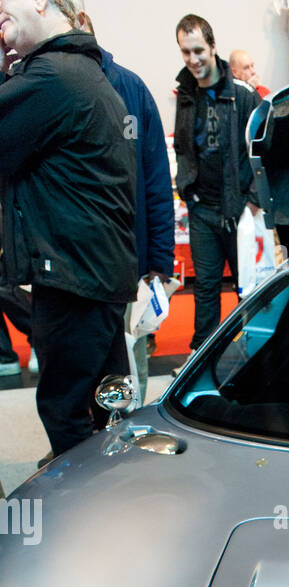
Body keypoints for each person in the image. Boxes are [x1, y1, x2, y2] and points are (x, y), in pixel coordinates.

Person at [0, 0, 138, 457]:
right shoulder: (81, 71)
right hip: (94, 276)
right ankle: (113, 504)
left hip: (74, 278)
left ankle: (86, 519)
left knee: (67, 412)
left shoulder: (52, 77)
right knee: (105, 408)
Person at [73, 7, 174, 399]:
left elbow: (156, 182)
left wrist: (160, 263)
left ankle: (129, 432)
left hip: (131, 260)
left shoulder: (131, 89)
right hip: (76, 263)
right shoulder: (50, 93)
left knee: (131, 358)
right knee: (80, 361)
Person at [174, 13, 261, 350]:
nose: (193, 59)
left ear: (212, 47)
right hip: (202, 210)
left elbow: (263, 149)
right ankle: (201, 359)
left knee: (249, 288)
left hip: (239, 210)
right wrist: (188, 190)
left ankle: (254, 357)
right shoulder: (185, 94)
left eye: (198, 50)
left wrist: (252, 201)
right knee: (205, 289)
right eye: (185, 52)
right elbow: (183, 147)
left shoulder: (244, 95)